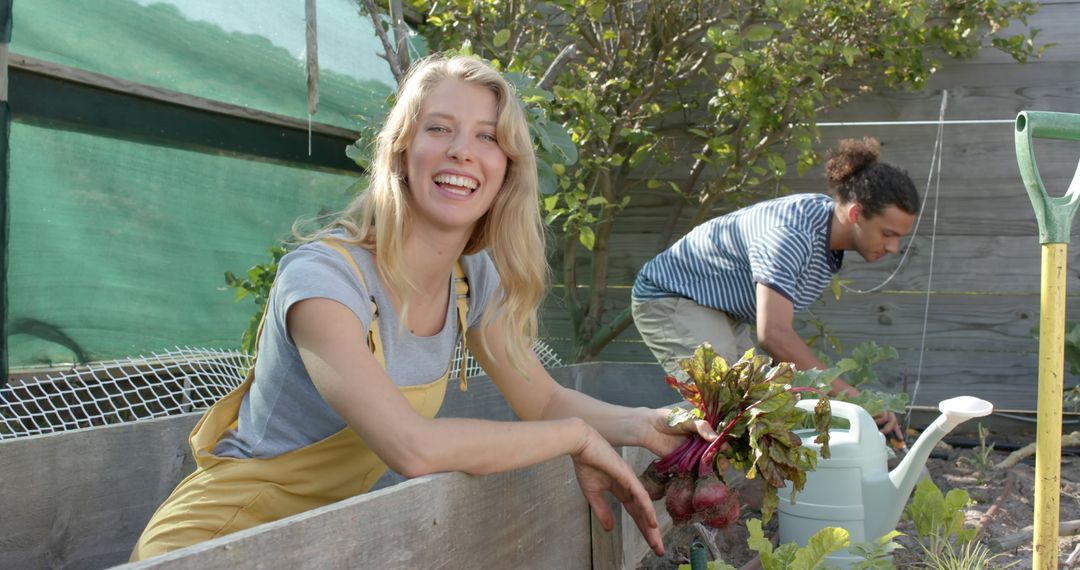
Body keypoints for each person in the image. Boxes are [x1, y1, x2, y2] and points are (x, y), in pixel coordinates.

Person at [130, 55, 715, 560]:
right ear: (402, 150)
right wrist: (577, 438)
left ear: (507, 167)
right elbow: (413, 446)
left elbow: (542, 397)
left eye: (488, 136)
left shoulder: (472, 278)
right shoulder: (323, 280)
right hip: (213, 543)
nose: (463, 151)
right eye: (440, 128)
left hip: (316, 544)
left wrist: (645, 424)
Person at [631, 138, 918, 440]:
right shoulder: (791, 234)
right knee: (726, 413)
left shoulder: (826, 231)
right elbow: (775, 335)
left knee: (764, 408)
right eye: (888, 234)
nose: (894, 248)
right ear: (856, 213)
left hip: (719, 309)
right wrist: (854, 399)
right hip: (673, 300)